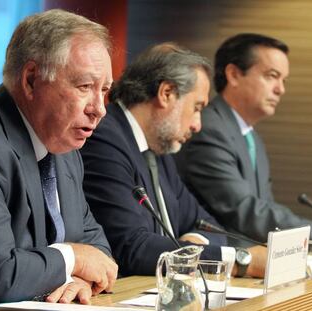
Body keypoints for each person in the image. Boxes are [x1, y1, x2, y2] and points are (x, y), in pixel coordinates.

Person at [0, 9, 118, 309]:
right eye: (84, 87)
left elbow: (99, 251)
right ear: (31, 80)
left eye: (104, 91)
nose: (99, 109)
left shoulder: (64, 149)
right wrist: (73, 259)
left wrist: (80, 277)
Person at [80, 43, 266, 278]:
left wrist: (192, 245)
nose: (198, 124)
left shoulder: (159, 150)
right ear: (166, 93)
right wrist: (239, 260)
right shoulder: (104, 140)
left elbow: (207, 225)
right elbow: (132, 248)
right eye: (197, 107)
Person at [175, 33, 312, 254]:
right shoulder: (208, 129)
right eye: (272, 76)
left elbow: (265, 207)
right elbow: (246, 210)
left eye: (283, 80)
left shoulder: (251, 136)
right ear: (233, 74)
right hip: (220, 265)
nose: (280, 89)